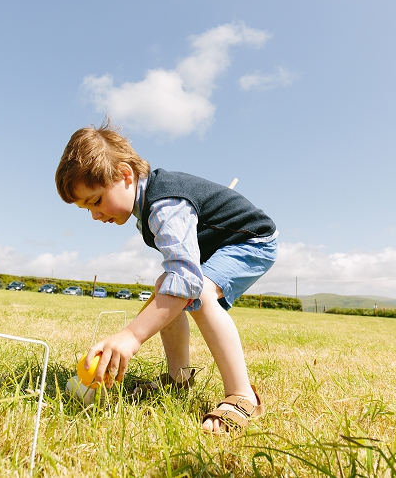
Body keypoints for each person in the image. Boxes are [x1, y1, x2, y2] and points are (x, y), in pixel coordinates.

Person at [55, 123, 278, 434]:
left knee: (197, 294)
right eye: (85, 208)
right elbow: (178, 278)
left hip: (252, 241)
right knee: (167, 287)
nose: (94, 215)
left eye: (95, 201)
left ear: (125, 175)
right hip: (221, 244)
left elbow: (187, 281)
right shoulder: (146, 207)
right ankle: (178, 379)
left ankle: (242, 396)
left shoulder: (165, 206)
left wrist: (131, 337)